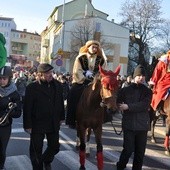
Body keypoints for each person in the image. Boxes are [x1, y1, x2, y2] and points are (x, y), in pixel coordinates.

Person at [23, 63, 65, 170]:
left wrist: (61, 117)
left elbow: (60, 102)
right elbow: (27, 108)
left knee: (55, 147)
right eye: (47, 73)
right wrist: (27, 125)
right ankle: (38, 167)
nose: (50, 75)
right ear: (39, 74)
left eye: (51, 72)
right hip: (37, 123)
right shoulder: (32, 88)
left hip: (53, 122)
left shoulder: (58, 85)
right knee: (36, 149)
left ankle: (46, 160)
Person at [116, 64, 152, 170]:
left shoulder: (147, 91)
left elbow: (144, 105)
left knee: (140, 153)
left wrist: (128, 106)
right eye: (139, 75)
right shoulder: (124, 90)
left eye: (143, 76)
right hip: (129, 125)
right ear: (134, 76)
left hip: (142, 126)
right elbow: (117, 102)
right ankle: (120, 166)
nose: (141, 77)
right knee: (128, 150)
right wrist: (118, 106)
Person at [66, 40, 107, 128]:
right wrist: (84, 79)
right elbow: (77, 71)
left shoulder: (101, 60)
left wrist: (95, 80)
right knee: (73, 93)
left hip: (95, 82)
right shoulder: (81, 58)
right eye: (93, 47)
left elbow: (102, 72)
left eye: (96, 47)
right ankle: (71, 120)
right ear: (88, 47)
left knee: (105, 95)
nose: (95, 49)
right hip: (81, 81)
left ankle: (105, 118)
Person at [0, 66, 22, 170]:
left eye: (4, 78)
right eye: (0, 78)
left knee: (1, 150)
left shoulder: (14, 93)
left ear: (9, 79)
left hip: (5, 125)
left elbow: (18, 113)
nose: (2, 81)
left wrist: (10, 110)